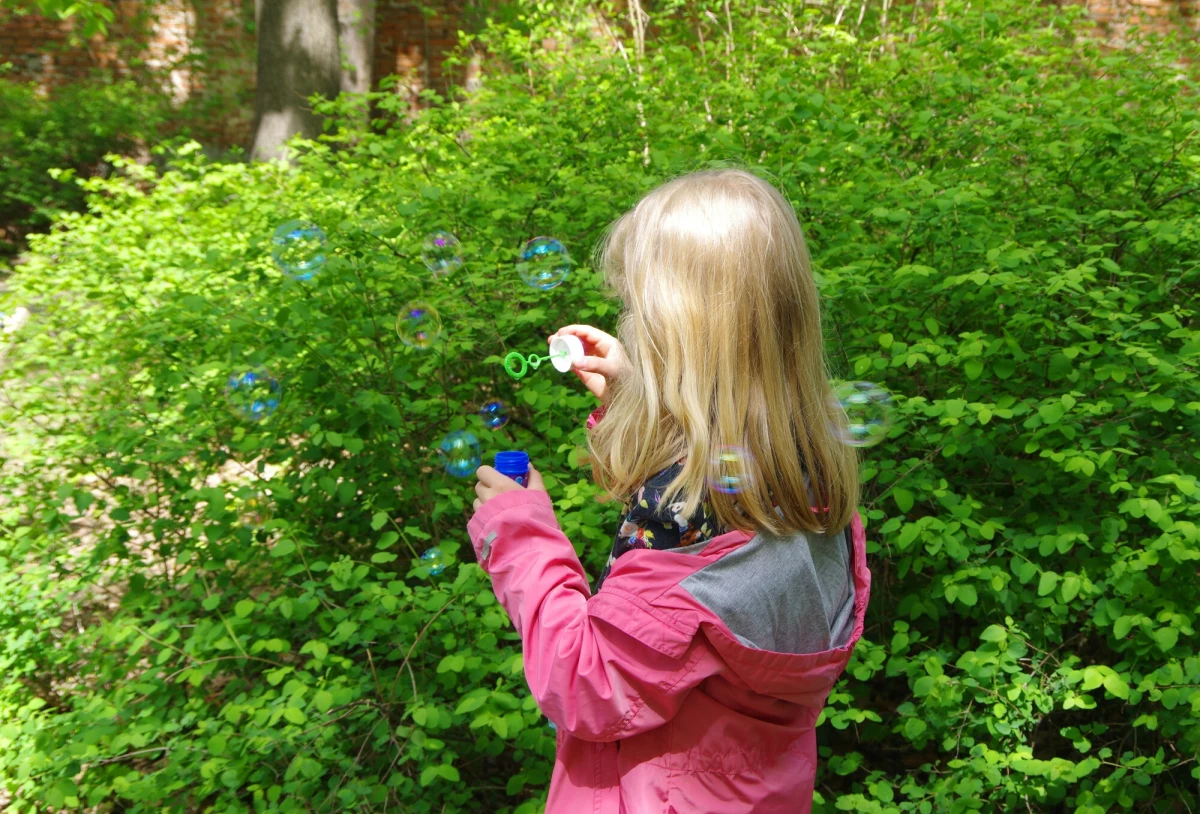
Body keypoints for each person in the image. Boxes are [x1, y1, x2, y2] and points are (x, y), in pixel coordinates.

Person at [468, 169, 871, 814]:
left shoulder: (683, 512)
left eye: (636, 309)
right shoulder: (806, 476)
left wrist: (520, 532)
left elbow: (583, 680)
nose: (628, 322)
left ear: (679, 330)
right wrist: (638, 398)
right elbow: (706, 454)